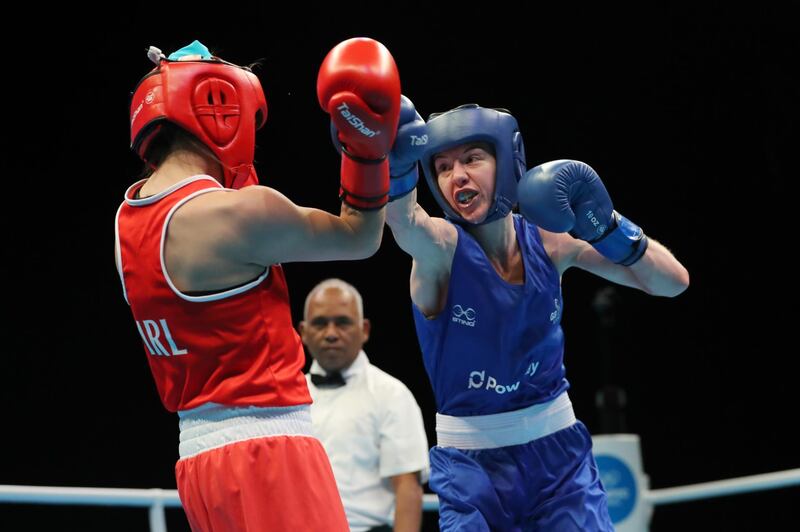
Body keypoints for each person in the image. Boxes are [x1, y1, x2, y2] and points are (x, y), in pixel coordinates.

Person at [114, 37, 404, 531]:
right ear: (219, 109)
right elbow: (361, 236)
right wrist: (369, 150)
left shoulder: (126, 222)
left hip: (201, 464)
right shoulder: (237, 213)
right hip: (270, 454)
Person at [384, 101, 690, 531]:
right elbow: (404, 221)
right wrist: (393, 168)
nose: (458, 176)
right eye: (443, 166)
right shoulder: (441, 249)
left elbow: (672, 282)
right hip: (473, 470)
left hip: (559, 459)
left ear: (508, 162)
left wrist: (607, 226)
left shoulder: (551, 242)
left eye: (472, 159)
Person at [299, 278, 431, 532]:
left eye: (343, 322)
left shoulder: (391, 394)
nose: (331, 333)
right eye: (320, 323)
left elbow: (408, 488)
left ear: (365, 329)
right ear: (303, 332)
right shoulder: (288, 398)